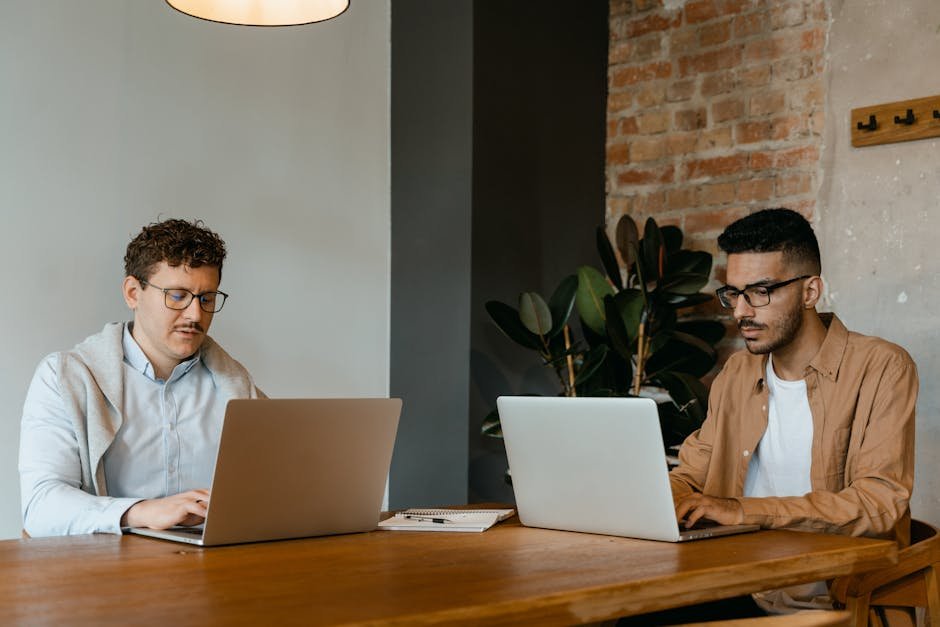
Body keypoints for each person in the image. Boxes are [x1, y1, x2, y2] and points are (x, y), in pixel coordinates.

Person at [667, 208, 918, 616]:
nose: (740, 312)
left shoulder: (883, 367)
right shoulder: (737, 372)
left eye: (760, 291)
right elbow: (692, 472)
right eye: (733, 293)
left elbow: (879, 503)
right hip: (730, 582)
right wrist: (647, 500)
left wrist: (743, 512)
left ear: (810, 292)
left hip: (826, 599)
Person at [19, 218, 264, 537]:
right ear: (133, 292)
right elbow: (41, 507)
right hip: (106, 574)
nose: (195, 315)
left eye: (207, 298)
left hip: (217, 572)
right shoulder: (64, 378)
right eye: (177, 296)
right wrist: (141, 511)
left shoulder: (238, 387)